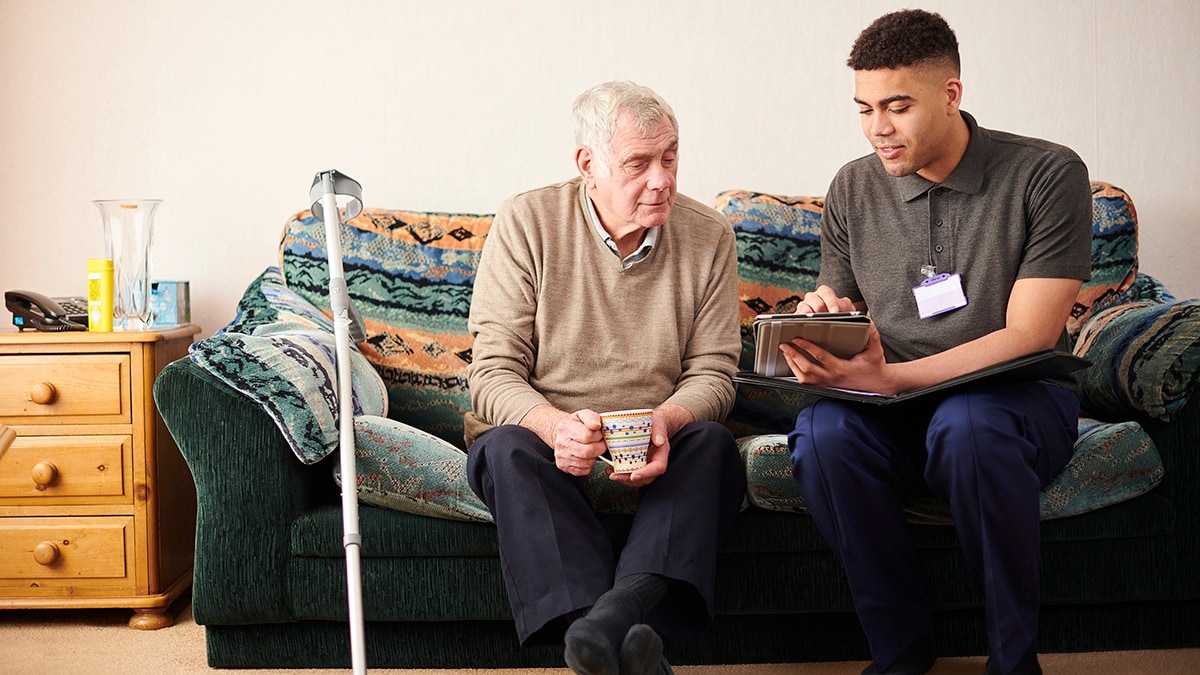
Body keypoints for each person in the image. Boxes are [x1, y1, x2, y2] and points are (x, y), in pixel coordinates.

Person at [782, 10, 1092, 675]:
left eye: (897, 107)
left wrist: (894, 378)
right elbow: (844, 306)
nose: (877, 130)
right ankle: (900, 650)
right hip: (893, 405)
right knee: (822, 433)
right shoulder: (852, 185)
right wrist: (821, 317)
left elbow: (1031, 335)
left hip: (1014, 399)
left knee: (969, 422)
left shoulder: (1046, 173)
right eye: (864, 109)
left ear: (951, 93)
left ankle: (1014, 660)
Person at [464, 80, 746, 675]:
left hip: (659, 440)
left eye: (669, 158)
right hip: (548, 439)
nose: (662, 179)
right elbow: (491, 374)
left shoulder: (709, 235)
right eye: (638, 163)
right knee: (504, 449)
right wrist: (556, 427)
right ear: (587, 165)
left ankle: (603, 628)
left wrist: (665, 420)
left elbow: (715, 373)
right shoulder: (527, 222)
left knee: (713, 443)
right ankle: (626, 639)